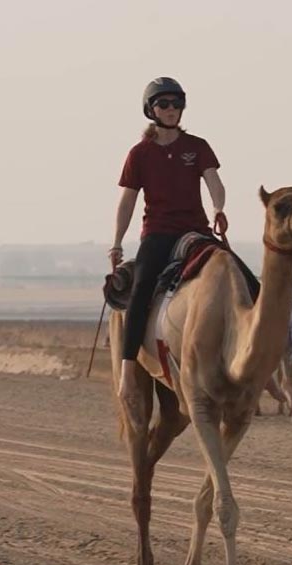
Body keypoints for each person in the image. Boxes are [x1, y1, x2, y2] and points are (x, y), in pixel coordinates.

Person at [109, 77, 227, 402]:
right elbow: (127, 201)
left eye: (176, 103)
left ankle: (263, 364)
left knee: (240, 276)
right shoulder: (140, 154)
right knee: (142, 289)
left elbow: (214, 181)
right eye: (164, 104)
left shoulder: (197, 146)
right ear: (151, 110)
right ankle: (129, 370)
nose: (171, 109)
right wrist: (117, 243)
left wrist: (218, 207)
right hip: (159, 233)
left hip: (197, 230)